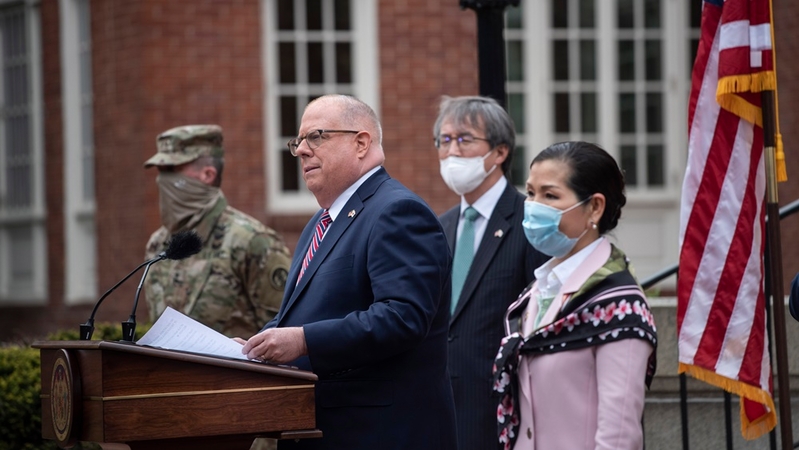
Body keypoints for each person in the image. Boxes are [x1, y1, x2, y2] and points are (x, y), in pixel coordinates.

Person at [239, 95, 457, 450]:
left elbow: (402, 317)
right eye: (299, 142)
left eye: (317, 137)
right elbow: (304, 314)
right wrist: (253, 348)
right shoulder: (320, 223)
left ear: (361, 142)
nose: (302, 151)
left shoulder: (397, 211)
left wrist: (303, 340)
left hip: (380, 434)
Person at [493, 141, 657, 450]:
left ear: (595, 206)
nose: (533, 206)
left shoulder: (618, 304)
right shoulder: (541, 287)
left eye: (550, 195)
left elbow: (618, 437)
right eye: (530, 193)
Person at [434, 95, 548, 450]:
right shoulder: (440, 226)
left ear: (499, 152)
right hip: (441, 409)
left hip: (502, 409)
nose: (452, 151)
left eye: (465, 139)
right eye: (444, 140)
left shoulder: (531, 222)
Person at [143, 124, 292, 338]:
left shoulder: (253, 241)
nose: (161, 180)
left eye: (171, 170)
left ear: (208, 174)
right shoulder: (158, 244)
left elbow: (284, 334)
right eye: (160, 171)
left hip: (235, 371)